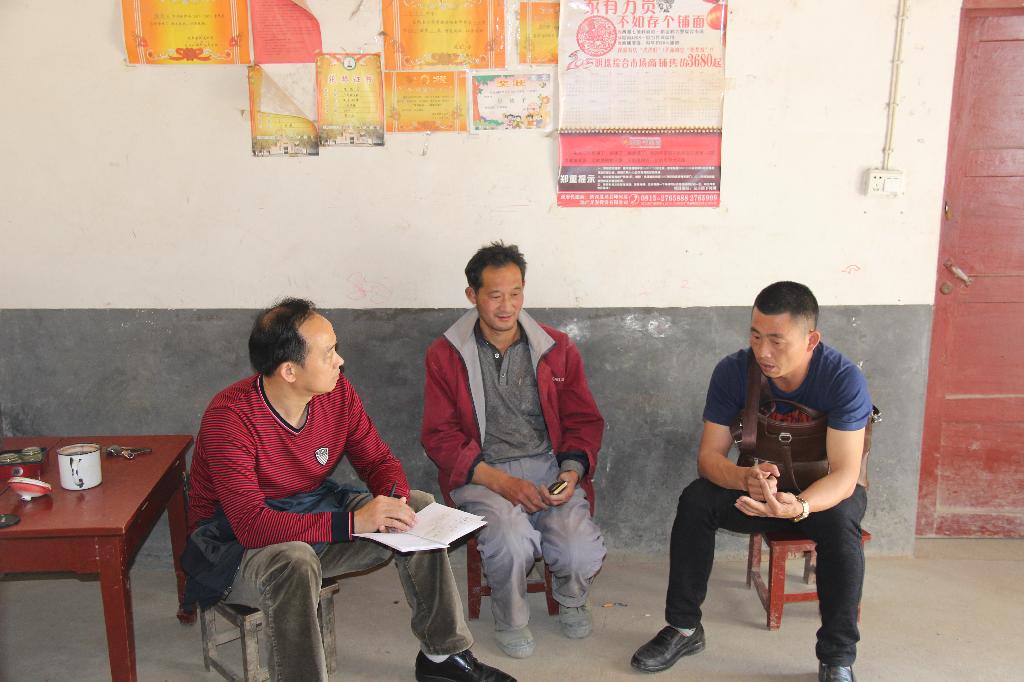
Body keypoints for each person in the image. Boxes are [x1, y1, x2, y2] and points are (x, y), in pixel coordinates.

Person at [184, 298, 513, 682]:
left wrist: (394, 501)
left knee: (418, 508)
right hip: (233, 547)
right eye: (328, 354)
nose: (340, 361)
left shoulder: (336, 393)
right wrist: (354, 522)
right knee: (295, 561)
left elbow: (378, 461)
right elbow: (251, 526)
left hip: (311, 512)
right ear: (289, 370)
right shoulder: (230, 417)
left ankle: (443, 657)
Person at [630, 282, 872, 682]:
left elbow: (846, 474)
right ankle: (684, 628)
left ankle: (837, 657)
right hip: (756, 493)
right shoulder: (733, 372)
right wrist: (745, 478)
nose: (763, 352)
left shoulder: (842, 379)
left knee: (842, 523)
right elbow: (709, 458)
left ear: (811, 340)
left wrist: (800, 506)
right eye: (756, 336)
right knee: (696, 500)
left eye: (777, 340)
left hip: (818, 499)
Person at [421, 242, 606, 659]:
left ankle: (572, 598)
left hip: (547, 466)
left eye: (516, 293)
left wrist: (570, 472)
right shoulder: (446, 354)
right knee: (509, 539)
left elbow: (583, 420)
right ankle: (511, 618)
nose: (507, 307)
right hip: (483, 472)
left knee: (578, 548)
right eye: (494, 295)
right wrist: (502, 483)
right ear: (472, 295)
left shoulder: (556, 348)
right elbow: (440, 435)